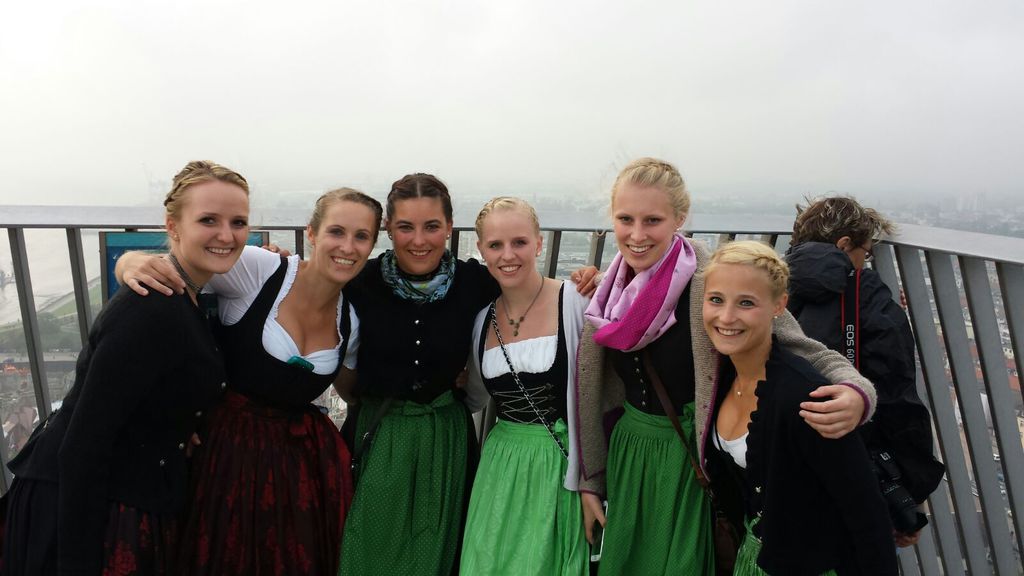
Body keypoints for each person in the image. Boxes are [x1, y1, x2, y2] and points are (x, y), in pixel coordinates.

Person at [574, 158, 878, 574]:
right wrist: (592, 481)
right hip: (629, 455)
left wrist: (857, 393)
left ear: (680, 218)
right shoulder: (610, 291)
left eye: (653, 220)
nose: (637, 234)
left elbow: (806, 349)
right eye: (626, 219)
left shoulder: (714, 282)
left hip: (689, 461)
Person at [1, 160, 250, 575]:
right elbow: (82, 446)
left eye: (238, 222)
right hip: (93, 508)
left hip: (129, 492)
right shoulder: (150, 310)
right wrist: (76, 563)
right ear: (173, 227)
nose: (227, 235)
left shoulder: (184, 296)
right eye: (208, 220)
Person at [116, 188, 382, 575]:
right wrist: (129, 262)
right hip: (226, 454)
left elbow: (353, 392)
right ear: (311, 233)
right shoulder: (262, 269)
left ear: (372, 246)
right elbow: (179, 267)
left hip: (298, 466)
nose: (347, 247)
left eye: (361, 236)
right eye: (336, 232)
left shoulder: (351, 320)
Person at [701, 240, 897, 575]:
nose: (727, 317)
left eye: (746, 303)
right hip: (754, 557)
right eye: (716, 299)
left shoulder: (804, 397)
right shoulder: (720, 379)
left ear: (779, 306)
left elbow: (866, 514)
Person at [786, 196, 944, 547]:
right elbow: (897, 397)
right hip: (851, 470)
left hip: (783, 464)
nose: (866, 261)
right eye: (867, 253)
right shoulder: (866, 295)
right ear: (845, 245)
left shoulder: (769, 284)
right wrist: (911, 489)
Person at [460, 197, 590, 575]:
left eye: (519, 242)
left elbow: (601, 390)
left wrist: (592, 479)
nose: (507, 255)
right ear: (481, 249)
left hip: (560, 463)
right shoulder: (481, 321)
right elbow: (474, 397)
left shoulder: (575, 301)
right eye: (495, 245)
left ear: (539, 243)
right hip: (501, 464)